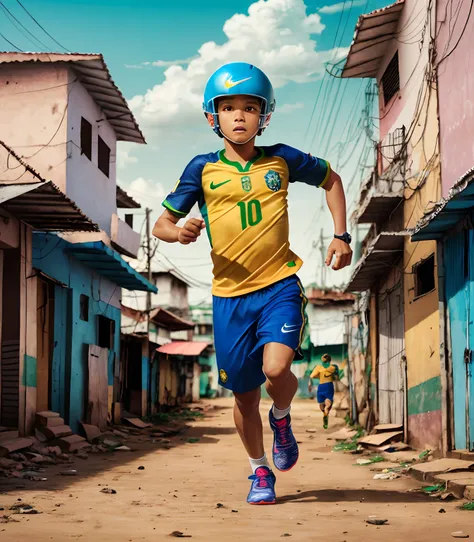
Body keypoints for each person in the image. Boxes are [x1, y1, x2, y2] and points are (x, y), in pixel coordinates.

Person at [152, 62, 352, 505]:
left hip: (279, 285)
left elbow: (332, 179)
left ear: (265, 115)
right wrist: (181, 230)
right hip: (228, 298)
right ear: (212, 117)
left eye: (249, 107)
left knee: (276, 370)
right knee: (243, 399)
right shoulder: (201, 169)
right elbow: (161, 225)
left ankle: (281, 416)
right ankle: (260, 471)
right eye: (228, 108)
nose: (238, 115)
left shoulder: (282, 158)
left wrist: (341, 235)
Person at [308, 353, 340, 429]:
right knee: (323, 405)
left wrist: (319, 371)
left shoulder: (323, 368)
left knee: (325, 404)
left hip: (324, 386)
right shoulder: (330, 368)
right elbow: (312, 376)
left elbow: (312, 375)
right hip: (325, 386)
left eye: (324, 360)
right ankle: (326, 412)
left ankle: (326, 412)